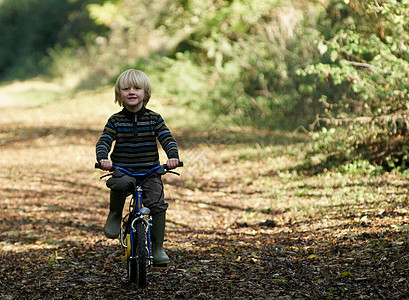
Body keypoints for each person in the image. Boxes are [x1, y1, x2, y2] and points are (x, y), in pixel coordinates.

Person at [95, 69, 179, 267]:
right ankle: (115, 214)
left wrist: (173, 156)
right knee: (119, 183)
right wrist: (103, 158)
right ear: (119, 94)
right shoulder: (115, 120)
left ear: (145, 93)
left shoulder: (154, 119)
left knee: (157, 203)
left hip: (149, 171)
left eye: (137, 88)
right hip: (123, 170)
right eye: (126, 89)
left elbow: (167, 139)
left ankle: (158, 248)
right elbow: (104, 141)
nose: (132, 92)